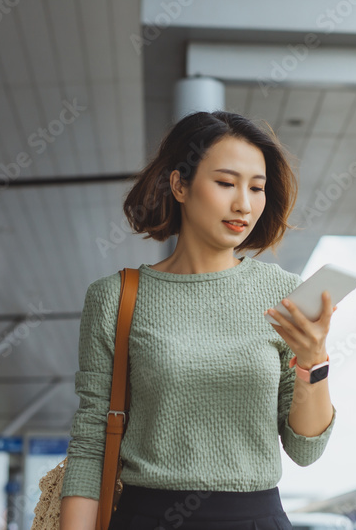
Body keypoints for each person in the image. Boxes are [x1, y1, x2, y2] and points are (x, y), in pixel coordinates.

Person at [59, 111, 338, 530]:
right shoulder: (116, 297)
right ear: (179, 185)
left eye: (256, 188)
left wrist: (312, 361)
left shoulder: (282, 293)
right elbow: (91, 443)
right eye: (226, 183)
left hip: (256, 519)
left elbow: (305, 449)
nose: (243, 203)